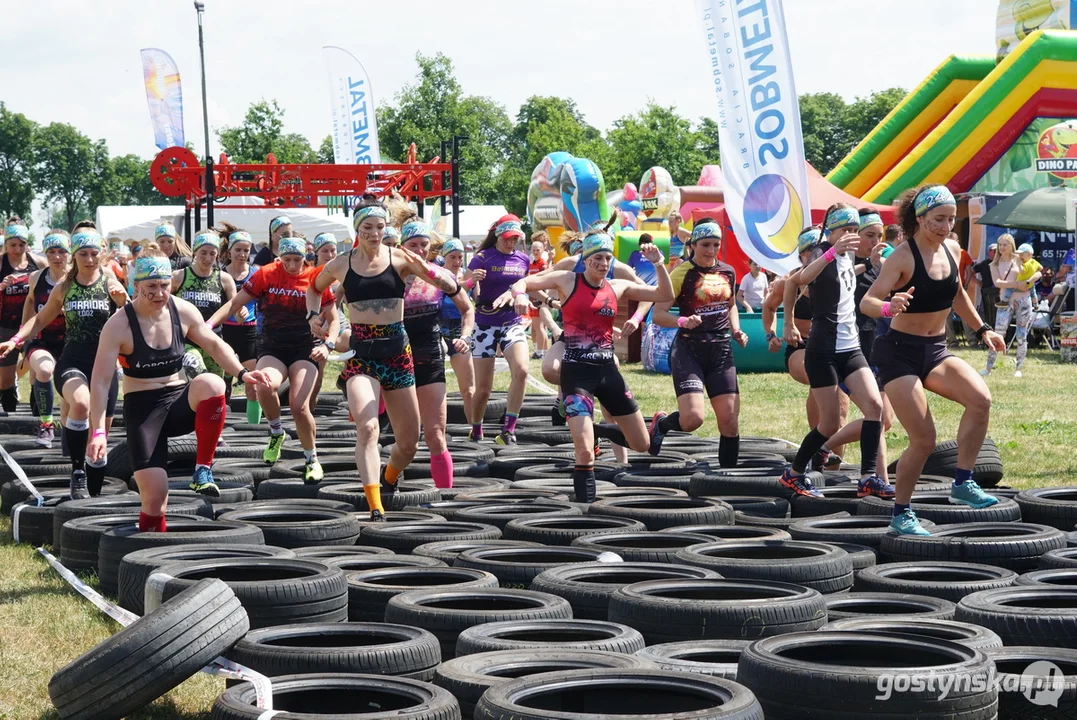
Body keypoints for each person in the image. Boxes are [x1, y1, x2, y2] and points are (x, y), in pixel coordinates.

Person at [86, 247, 271, 530]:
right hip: (143, 410)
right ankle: (149, 549)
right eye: (152, 286)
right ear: (135, 286)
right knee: (156, 496)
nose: (160, 293)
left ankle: (202, 470)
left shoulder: (182, 310)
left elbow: (214, 344)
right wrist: (98, 432)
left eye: (164, 285)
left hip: (177, 401)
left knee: (212, 382)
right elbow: (99, 382)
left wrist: (244, 373)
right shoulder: (118, 324)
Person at [863, 184, 1004, 536]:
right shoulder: (902, 257)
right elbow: (867, 301)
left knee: (980, 399)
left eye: (950, 219)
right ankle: (901, 512)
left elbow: (957, 295)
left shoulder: (953, 249)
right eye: (938, 219)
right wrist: (886, 306)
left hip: (936, 350)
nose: (945, 226)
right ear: (920, 218)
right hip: (898, 352)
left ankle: (962, 482)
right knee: (924, 439)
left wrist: (983, 328)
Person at [494, 232, 673, 501]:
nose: (603, 263)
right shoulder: (568, 279)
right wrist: (519, 295)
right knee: (585, 450)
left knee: (642, 444)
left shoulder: (617, 286)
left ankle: (650, 425)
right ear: (586, 260)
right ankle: (585, 508)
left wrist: (659, 264)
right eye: (597, 258)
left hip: (608, 373)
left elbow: (663, 294)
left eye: (607, 258)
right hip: (576, 373)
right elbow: (525, 282)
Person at [309, 203, 458, 520]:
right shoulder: (341, 264)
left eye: (379, 227)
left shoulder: (400, 258)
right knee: (368, 427)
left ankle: (389, 479)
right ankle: (375, 504)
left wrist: (427, 269)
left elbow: (449, 286)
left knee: (409, 443)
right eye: (368, 228)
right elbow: (314, 287)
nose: (375, 234)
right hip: (362, 355)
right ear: (357, 230)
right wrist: (313, 315)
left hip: (397, 354)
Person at [0, 230, 126, 499]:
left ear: (100, 255)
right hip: (73, 361)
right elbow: (40, 318)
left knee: (100, 429)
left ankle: (92, 481)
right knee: (80, 403)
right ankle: (77, 471)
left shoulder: (110, 281)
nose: (89, 260)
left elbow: (130, 318)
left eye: (93, 254)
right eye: (83, 254)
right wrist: (16, 339)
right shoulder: (64, 287)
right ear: (75, 256)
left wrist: (122, 301)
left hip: (104, 364)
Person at [777, 204, 888, 499]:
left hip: (851, 347)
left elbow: (847, 273)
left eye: (855, 230)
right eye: (845, 231)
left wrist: (872, 264)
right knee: (828, 423)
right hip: (822, 348)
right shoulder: (819, 251)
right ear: (831, 231)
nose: (851, 236)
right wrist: (787, 323)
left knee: (874, 407)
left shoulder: (848, 255)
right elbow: (796, 280)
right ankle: (794, 473)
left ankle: (868, 477)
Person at [209, 237, 338, 483]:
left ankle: (312, 459)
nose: (291, 265)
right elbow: (234, 303)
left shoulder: (315, 277)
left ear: (305, 258)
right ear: (279, 257)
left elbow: (333, 320)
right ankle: (276, 432)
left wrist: (328, 345)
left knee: (299, 406)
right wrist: (207, 325)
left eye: (297, 260)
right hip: (272, 347)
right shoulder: (266, 274)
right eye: (286, 260)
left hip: (305, 348)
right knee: (263, 385)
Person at [647, 220, 748, 466]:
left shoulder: (728, 271)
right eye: (705, 245)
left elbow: (731, 305)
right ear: (692, 245)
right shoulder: (682, 272)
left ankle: (730, 480)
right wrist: (681, 320)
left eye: (716, 245)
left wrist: (737, 329)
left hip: (721, 351)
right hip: (689, 350)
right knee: (692, 419)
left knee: (729, 421)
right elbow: (658, 314)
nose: (711, 251)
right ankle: (661, 424)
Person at [762, 228, 849, 470]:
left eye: (820, 251)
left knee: (840, 410)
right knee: (820, 377)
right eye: (810, 253)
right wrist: (772, 335)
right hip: (800, 347)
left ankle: (831, 468)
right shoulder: (789, 281)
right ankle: (819, 443)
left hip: (834, 346)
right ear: (801, 256)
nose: (816, 256)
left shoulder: (839, 278)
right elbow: (769, 308)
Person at [399, 221, 475, 489]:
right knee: (402, 439)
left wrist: (464, 337)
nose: (419, 250)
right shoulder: (387, 273)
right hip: (393, 360)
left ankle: (446, 499)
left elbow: (467, 309)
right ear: (401, 247)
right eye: (413, 245)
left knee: (435, 434)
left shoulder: (440, 274)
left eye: (423, 245)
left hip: (429, 355)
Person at [467, 215, 532, 445]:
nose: (511, 242)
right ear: (498, 235)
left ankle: (508, 430)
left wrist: (546, 302)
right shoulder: (482, 257)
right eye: (508, 238)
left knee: (522, 370)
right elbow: (462, 286)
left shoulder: (524, 259)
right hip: (484, 324)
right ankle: (476, 429)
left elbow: (528, 286)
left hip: (511, 323)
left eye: (516, 238)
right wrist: (471, 281)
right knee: (484, 390)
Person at [21, 231, 72, 447]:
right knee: (44, 370)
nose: (57, 257)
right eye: (51, 251)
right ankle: (45, 425)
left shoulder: (76, 279)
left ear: (70, 253)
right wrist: (23, 335)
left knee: (69, 400)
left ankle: (70, 434)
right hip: (43, 340)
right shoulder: (36, 278)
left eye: (62, 251)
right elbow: (30, 301)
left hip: (72, 343)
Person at [172, 231, 237, 379]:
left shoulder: (224, 279)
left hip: (213, 340)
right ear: (195, 252)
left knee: (220, 385)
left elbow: (236, 311)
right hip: (187, 340)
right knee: (200, 376)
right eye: (203, 252)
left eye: (212, 253)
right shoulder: (178, 277)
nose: (208, 258)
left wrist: (241, 312)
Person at [218, 225, 261, 423]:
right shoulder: (220, 274)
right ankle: (220, 427)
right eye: (238, 250)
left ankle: (255, 429)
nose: (243, 254)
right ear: (229, 251)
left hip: (249, 331)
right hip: (225, 331)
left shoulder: (257, 273)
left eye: (246, 250)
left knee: (253, 382)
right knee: (223, 379)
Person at [0, 219, 44, 412]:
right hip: (6, 325)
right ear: (6, 244)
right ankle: (9, 416)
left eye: (21, 245)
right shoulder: (1, 263)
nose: (17, 249)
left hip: (32, 324)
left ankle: (39, 416)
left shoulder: (37, 262)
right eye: (13, 245)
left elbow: (54, 283)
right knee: (6, 380)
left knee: (38, 370)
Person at [983, 235, 1040, 378]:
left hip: (1023, 301)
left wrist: (1029, 281)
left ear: (1011, 245)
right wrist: (1016, 284)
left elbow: (1038, 270)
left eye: (1005, 244)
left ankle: (1018, 368)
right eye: (1000, 244)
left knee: (1022, 335)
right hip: (1005, 302)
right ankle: (988, 367)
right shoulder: (994, 264)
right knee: (998, 333)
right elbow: (997, 282)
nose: (1002, 248)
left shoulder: (1020, 257)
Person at [440, 238, 478, 425]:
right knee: (436, 390)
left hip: (459, 332)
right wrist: (471, 282)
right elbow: (457, 287)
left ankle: (476, 430)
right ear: (444, 257)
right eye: (452, 257)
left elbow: (477, 304)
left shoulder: (467, 277)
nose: (456, 261)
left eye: (460, 257)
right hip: (437, 332)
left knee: (469, 389)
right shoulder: (436, 276)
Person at [528, 239, 551, 358]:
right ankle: (541, 351)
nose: (536, 252)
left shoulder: (543, 264)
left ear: (542, 250)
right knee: (535, 326)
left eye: (538, 250)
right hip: (532, 298)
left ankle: (541, 353)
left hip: (540, 299)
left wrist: (544, 300)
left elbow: (546, 281)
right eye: (534, 250)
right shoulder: (532, 263)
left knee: (539, 326)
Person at [970, 243, 998, 329]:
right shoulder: (984, 264)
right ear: (989, 252)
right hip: (986, 292)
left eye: (997, 251)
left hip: (999, 293)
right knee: (984, 313)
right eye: (993, 250)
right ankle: (984, 335)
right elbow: (969, 273)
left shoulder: (1001, 263)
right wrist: (978, 282)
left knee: (998, 314)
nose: (995, 252)